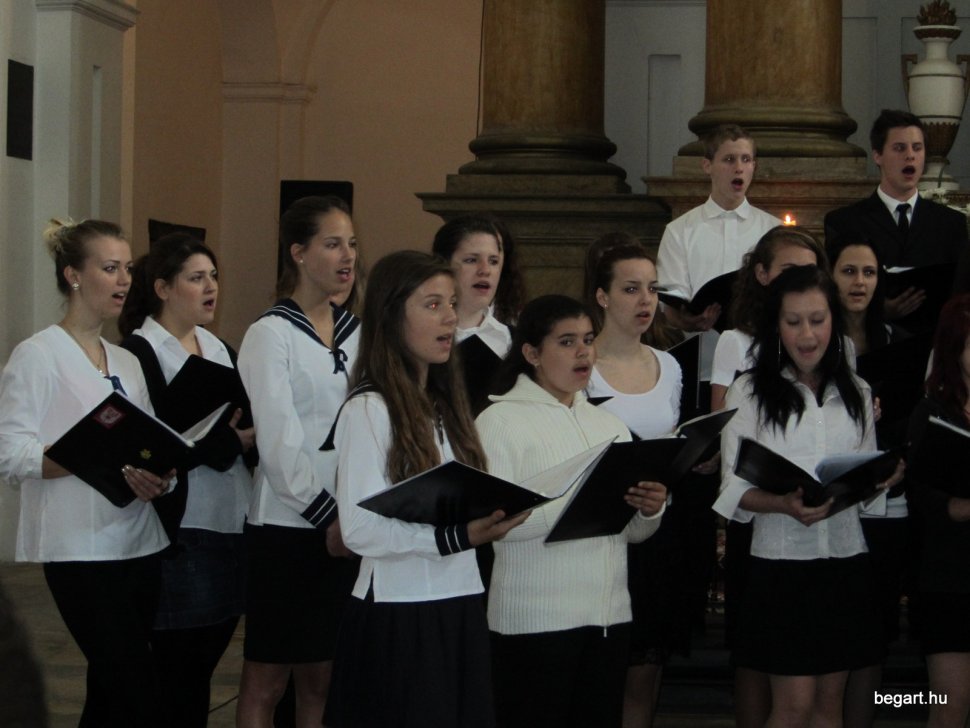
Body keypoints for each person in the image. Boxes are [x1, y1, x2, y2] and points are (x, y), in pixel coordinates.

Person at [324, 250, 525, 728]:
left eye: (452, 303)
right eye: (433, 305)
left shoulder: (444, 406)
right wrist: (456, 536)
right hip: (399, 610)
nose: (450, 317)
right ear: (392, 316)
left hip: (459, 598)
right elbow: (358, 530)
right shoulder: (369, 409)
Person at [714, 264, 903, 728]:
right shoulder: (749, 392)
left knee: (828, 708)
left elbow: (860, 485)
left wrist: (879, 479)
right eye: (793, 321)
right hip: (781, 566)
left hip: (844, 561)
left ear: (833, 321)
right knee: (793, 707)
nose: (807, 335)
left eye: (817, 320)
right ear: (775, 326)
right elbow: (731, 487)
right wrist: (782, 503)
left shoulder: (857, 392)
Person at [0, 219, 172, 727]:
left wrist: (159, 477)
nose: (124, 280)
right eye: (110, 268)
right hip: (79, 547)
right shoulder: (38, 354)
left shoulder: (126, 360)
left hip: (139, 542)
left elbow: (149, 442)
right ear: (73, 275)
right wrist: (87, 454)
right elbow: (11, 453)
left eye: (128, 269)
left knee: (110, 696)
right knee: (136, 689)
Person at [476, 294, 668, 728]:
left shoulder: (610, 425)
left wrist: (648, 510)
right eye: (566, 342)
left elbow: (629, 534)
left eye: (587, 339)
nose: (583, 352)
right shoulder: (499, 421)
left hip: (607, 618)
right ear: (532, 353)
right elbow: (495, 525)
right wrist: (577, 504)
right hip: (533, 624)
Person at [118, 232, 255, 728]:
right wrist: (225, 442)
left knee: (205, 660)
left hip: (234, 516)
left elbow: (243, 419)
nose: (211, 286)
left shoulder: (220, 348)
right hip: (183, 524)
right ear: (162, 288)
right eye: (196, 278)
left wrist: (246, 436)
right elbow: (148, 443)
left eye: (213, 276)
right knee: (180, 669)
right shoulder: (139, 353)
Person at [236, 196, 360, 728]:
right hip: (288, 526)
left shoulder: (357, 331)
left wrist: (353, 513)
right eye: (332, 244)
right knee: (268, 678)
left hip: (346, 524)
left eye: (351, 243)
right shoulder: (271, 333)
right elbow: (278, 444)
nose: (347, 255)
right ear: (299, 252)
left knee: (323, 676)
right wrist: (327, 515)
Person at [708, 225, 825, 728]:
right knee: (756, 650)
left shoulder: (828, 342)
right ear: (762, 275)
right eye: (789, 271)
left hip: (816, 524)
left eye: (809, 272)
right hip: (757, 516)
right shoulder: (737, 342)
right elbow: (725, 425)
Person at [584, 244, 684, 728]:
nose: (645, 300)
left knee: (644, 675)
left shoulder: (670, 367)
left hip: (654, 531)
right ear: (602, 296)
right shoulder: (581, 365)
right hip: (597, 535)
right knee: (597, 677)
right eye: (630, 289)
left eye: (652, 289)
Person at [824, 108, 970, 330]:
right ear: (878, 155)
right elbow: (833, 292)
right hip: (872, 339)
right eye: (900, 148)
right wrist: (878, 309)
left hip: (932, 339)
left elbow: (960, 294)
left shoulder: (951, 223)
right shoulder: (845, 222)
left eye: (917, 148)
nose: (910, 156)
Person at [905, 293, 970, 728]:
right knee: (949, 708)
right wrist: (958, 507)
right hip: (950, 579)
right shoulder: (932, 413)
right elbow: (921, 495)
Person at [657, 123, 782, 335]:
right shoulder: (680, 231)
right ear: (707, 166)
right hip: (702, 344)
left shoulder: (773, 231)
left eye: (746, 159)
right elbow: (670, 300)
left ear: (754, 166)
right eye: (729, 159)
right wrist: (687, 320)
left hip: (759, 343)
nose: (739, 168)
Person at [432, 214, 516, 414]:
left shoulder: (514, 342)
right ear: (443, 264)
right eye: (471, 260)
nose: (485, 270)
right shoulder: (421, 339)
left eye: (493, 261)